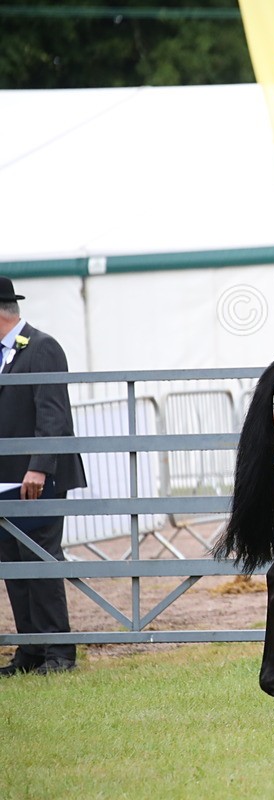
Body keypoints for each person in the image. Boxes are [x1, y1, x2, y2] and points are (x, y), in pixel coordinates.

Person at [0, 277, 86, 676]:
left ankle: (59, 651)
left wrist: (37, 465)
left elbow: (53, 413)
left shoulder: (41, 347)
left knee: (41, 559)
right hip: (4, 481)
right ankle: (29, 651)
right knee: (14, 566)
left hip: (39, 479)